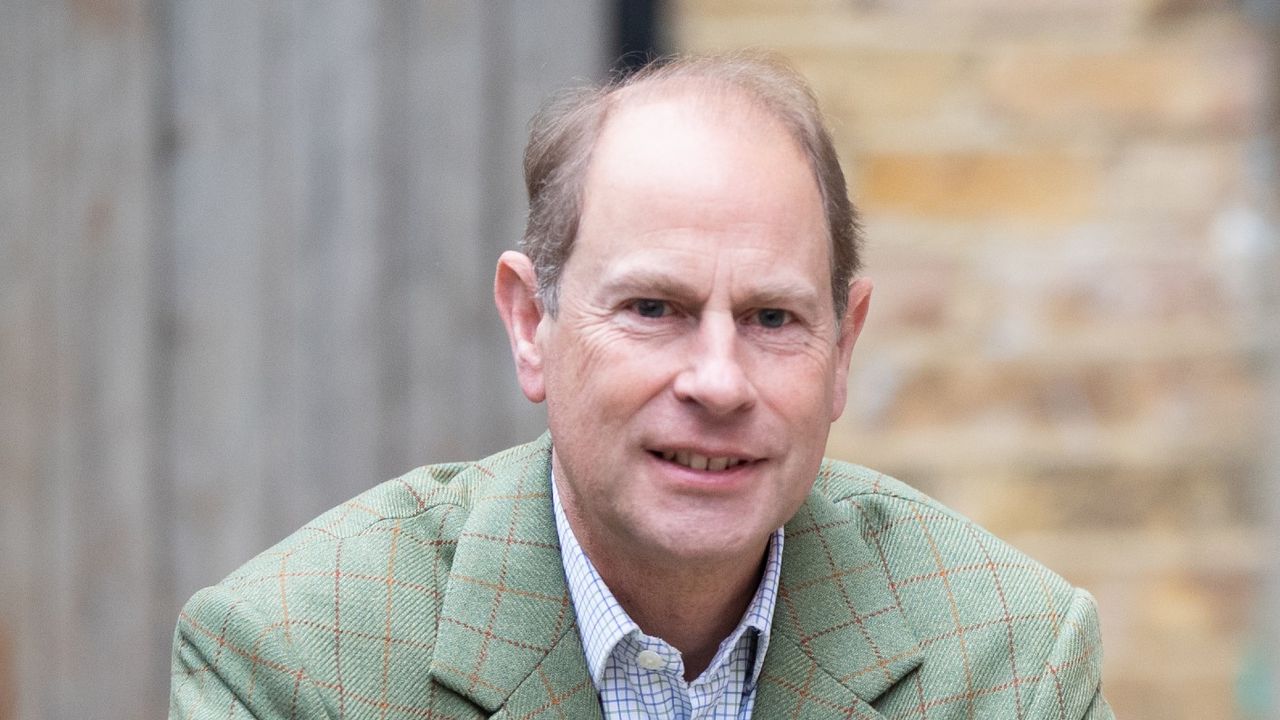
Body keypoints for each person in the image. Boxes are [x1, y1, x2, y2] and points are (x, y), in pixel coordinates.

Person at [171, 55, 1111, 719]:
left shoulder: (1009, 663)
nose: (717, 380)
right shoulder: (294, 664)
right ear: (530, 323)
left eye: (772, 319)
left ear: (844, 346)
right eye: (654, 308)